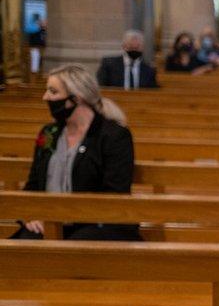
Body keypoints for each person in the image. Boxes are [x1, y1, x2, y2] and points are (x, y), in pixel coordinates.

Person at [13, 64, 141, 241]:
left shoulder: (113, 136)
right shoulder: (49, 133)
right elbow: (33, 186)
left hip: (99, 224)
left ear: (77, 98)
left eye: (53, 91)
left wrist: (68, 216)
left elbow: (115, 194)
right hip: (49, 223)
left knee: (74, 247)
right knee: (18, 248)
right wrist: (30, 216)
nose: (45, 97)